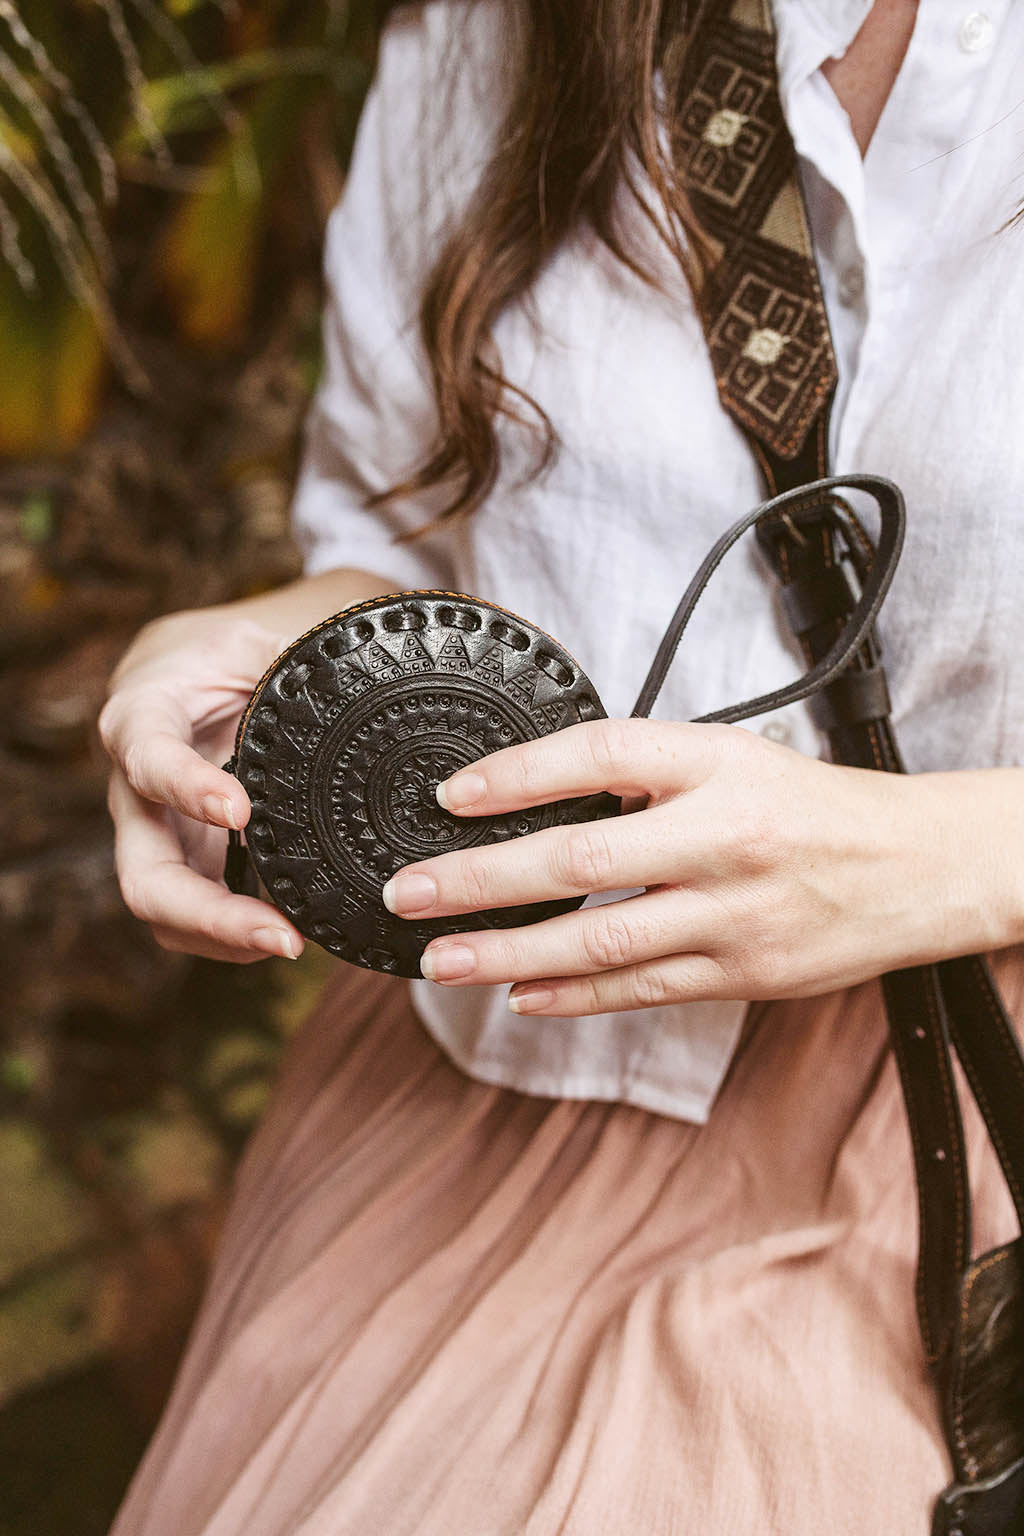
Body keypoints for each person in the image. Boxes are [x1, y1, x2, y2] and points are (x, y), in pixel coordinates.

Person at [101, 0, 1024, 1531]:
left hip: (965, 1133)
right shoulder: (500, 30)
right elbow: (406, 546)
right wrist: (233, 648)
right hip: (520, 1079)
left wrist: (946, 857)